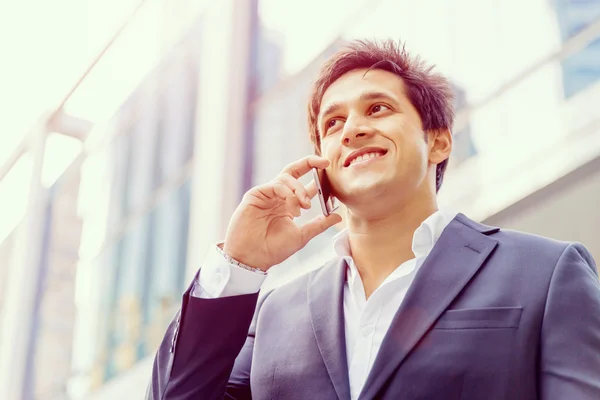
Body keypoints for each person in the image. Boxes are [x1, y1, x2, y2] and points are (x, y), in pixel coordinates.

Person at [147, 39, 600, 400]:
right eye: (332, 123)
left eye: (377, 108)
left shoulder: (546, 273)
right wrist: (240, 264)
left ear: (439, 142)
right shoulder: (273, 314)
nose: (352, 129)